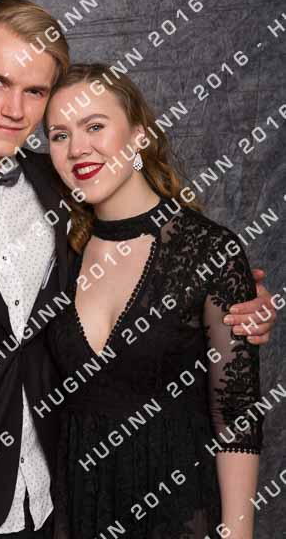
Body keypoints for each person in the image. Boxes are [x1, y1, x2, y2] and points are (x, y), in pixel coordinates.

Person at [0, 0, 276, 539]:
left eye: (34, 91)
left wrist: (235, 308)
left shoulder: (62, 185)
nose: (13, 108)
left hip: (52, 501)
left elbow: (157, 269)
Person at [44, 63, 268, 539]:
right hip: (78, 514)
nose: (77, 148)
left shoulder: (210, 251)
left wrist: (238, 533)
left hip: (181, 515)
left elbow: (237, 418)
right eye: (59, 135)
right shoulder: (55, 253)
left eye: (95, 126)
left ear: (140, 136)